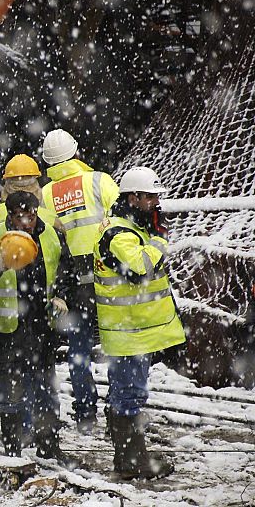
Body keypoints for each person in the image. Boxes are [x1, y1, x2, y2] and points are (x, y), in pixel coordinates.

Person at [0, 191, 78, 467]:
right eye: (20, 216)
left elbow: (67, 271)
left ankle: (49, 446)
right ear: (9, 216)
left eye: (31, 216)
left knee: (46, 390)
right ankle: (13, 452)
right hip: (5, 330)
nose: (27, 222)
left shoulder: (51, 235)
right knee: (12, 394)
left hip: (42, 327)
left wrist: (61, 296)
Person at [93, 166, 185, 479]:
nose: (156, 203)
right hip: (128, 333)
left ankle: (129, 455)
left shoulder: (132, 228)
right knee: (129, 394)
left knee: (128, 392)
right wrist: (160, 240)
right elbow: (140, 268)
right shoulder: (119, 234)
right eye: (151, 197)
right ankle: (132, 462)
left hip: (133, 332)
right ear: (133, 197)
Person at [40, 129, 119, 433]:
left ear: (47, 162)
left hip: (73, 282)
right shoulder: (99, 180)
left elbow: (50, 240)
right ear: (76, 151)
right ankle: (118, 414)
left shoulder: (45, 194)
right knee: (116, 346)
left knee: (78, 350)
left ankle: (86, 413)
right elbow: (123, 220)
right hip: (109, 275)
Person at [0, 154, 61, 435]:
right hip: (22, 314)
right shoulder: (47, 217)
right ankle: (26, 431)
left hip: (13, 315)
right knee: (33, 377)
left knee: (0, 370)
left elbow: (62, 262)